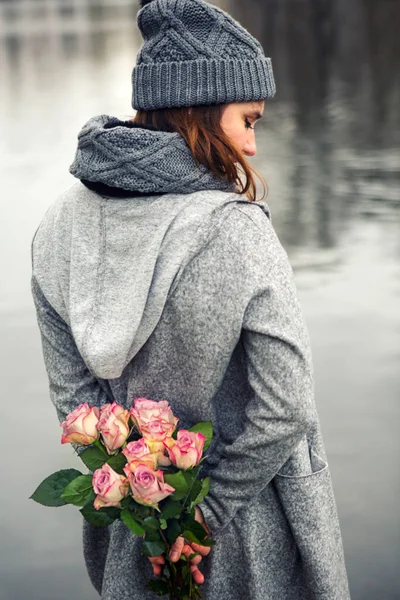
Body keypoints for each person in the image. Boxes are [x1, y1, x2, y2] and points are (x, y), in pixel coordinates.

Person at [31, 0, 351, 598]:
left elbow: (77, 409)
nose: (252, 147)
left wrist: (151, 509)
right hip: (250, 540)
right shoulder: (235, 228)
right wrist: (203, 515)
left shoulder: (56, 228)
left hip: (136, 540)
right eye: (248, 120)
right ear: (201, 111)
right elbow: (286, 407)